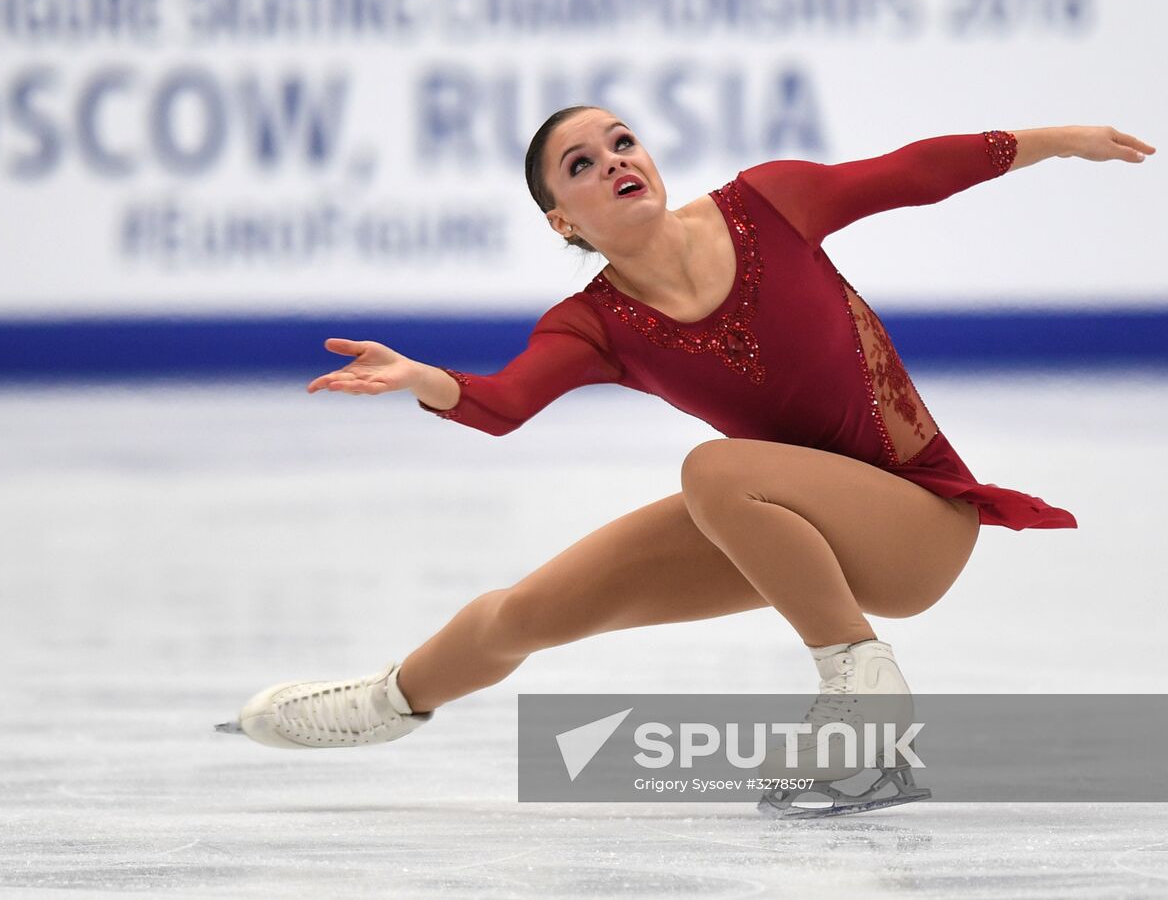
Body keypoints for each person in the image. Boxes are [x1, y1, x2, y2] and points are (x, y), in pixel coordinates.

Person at [218, 107, 1154, 815]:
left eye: (621, 142)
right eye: (580, 166)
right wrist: (426, 378)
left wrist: (1054, 139)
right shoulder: (595, 323)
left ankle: (859, 691)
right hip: (793, 517)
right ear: (563, 223)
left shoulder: (769, 204)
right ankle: (385, 700)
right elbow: (503, 405)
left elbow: (911, 172)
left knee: (715, 471)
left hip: (919, 524)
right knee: (531, 610)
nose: (614, 162)